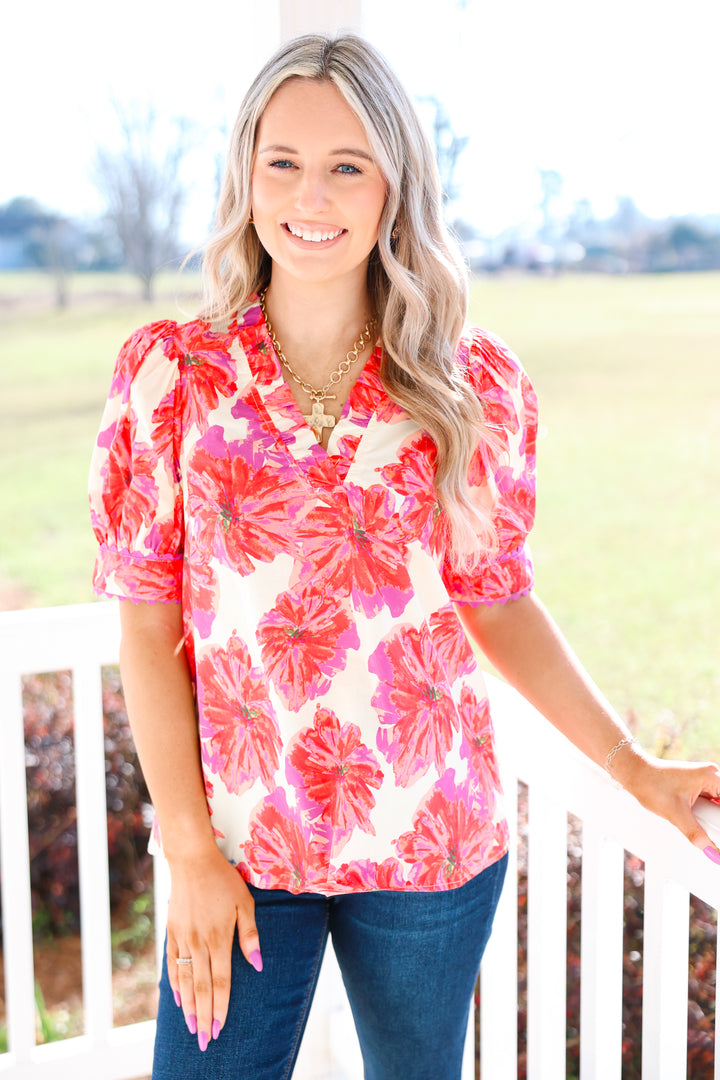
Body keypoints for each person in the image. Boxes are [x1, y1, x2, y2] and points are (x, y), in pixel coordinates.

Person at [88, 32, 720, 1080]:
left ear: (395, 185)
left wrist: (632, 768)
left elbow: (497, 598)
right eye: (282, 160)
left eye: (348, 165)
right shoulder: (174, 374)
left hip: (433, 839)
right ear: (246, 172)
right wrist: (189, 849)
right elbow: (148, 628)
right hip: (242, 847)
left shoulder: (468, 382)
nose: (312, 194)